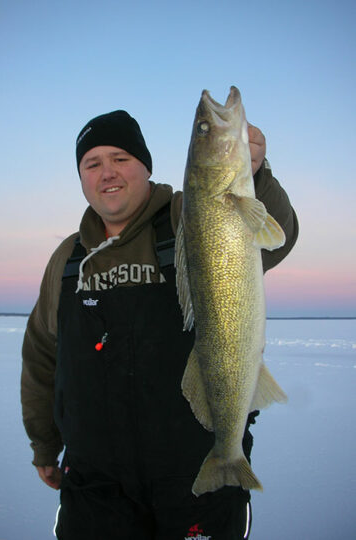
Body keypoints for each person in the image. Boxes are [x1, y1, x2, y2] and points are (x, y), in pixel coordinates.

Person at [21, 109, 298, 540]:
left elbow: (272, 238)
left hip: (193, 486)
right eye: (92, 163)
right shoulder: (67, 261)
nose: (107, 172)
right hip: (96, 490)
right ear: (81, 177)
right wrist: (43, 443)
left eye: (121, 158)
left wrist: (255, 174)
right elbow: (41, 356)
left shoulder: (189, 216)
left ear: (146, 166)